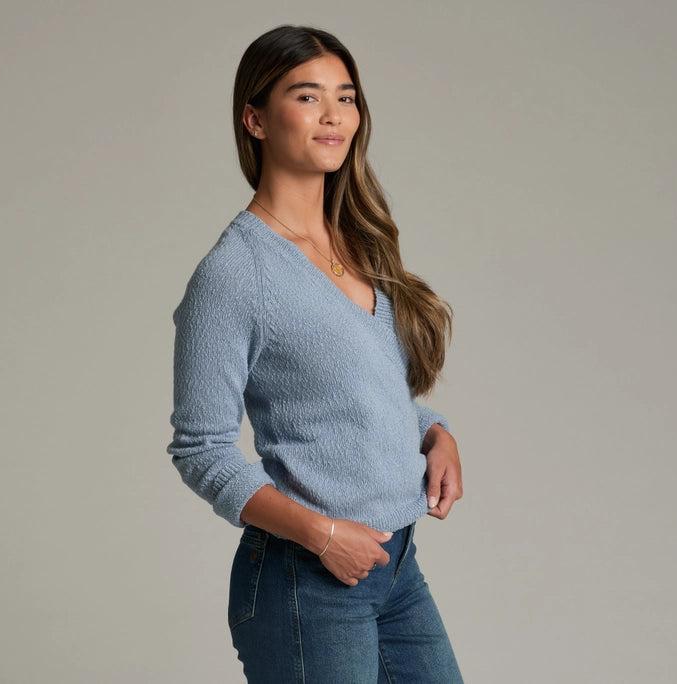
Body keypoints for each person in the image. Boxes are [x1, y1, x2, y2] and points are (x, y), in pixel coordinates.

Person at [168, 25, 464, 683]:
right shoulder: (235, 272)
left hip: (394, 565)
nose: (333, 115)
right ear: (255, 120)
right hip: (307, 579)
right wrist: (321, 535)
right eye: (307, 97)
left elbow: (358, 392)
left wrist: (432, 432)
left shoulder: (357, 244)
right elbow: (200, 449)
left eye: (346, 97)